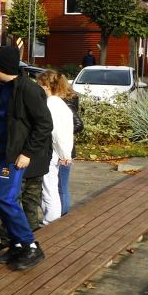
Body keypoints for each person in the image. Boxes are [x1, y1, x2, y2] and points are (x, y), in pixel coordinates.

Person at [0, 46, 53, 271]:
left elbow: (44, 124)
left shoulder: (29, 90)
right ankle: (16, 244)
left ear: (3, 67)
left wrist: (27, 153)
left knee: (7, 198)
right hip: (0, 152)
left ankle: (31, 246)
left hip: (16, 155)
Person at [37, 71, 74, 225]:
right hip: (58, 151)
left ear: (46, 85)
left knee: (49, 188)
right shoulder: (60, 103)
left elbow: (57, 132)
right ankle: (51, 219)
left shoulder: (51, 104)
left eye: (40, 85)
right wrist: (65, 153)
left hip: (52, 151)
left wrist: (64, 154)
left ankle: (50, 220)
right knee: (50, 187)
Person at [61, 87, 83, 215]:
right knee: (60, 185)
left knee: (61, 185)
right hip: (65, 148)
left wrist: (64, 132)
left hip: (65, 149)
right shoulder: (65, 102)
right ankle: (61, 213)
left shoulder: (66, 104)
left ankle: (62, 214)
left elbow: (79, 124)